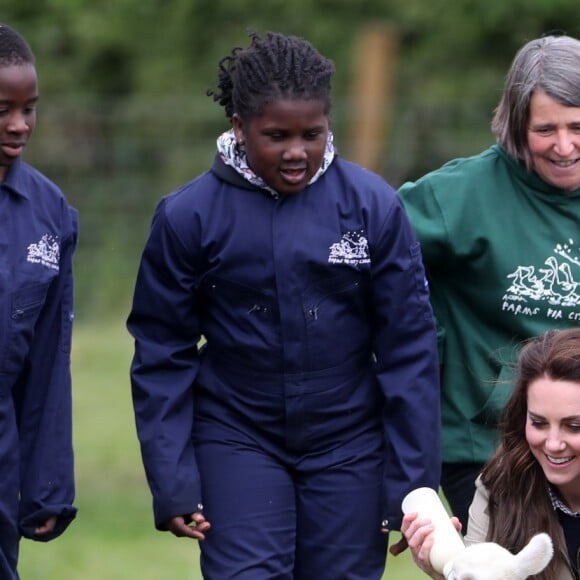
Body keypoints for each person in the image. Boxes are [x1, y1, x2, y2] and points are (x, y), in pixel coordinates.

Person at [127, 30, 441, 579]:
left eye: (312, 134)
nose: (297, 153)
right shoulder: (188, 217)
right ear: (239, 128)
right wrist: (173, 481)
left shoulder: (372, 208)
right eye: (276, 136)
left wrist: (411, 485)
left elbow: (408, 348)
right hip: (236, 433)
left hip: (349, 440)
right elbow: (162, 352)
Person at [398, 33, 580, 527]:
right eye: (546, 130)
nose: (565, 147)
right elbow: (359, 253)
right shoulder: (455, 198)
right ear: (515, 126)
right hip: (488, 448)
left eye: (577, 127)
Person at [401, 328, 580, 580]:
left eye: (574, 426)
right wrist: (444, 572)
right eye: (538, 422)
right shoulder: (500, 485)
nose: (553, 444)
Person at [0, 23, 78, 579]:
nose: (19, 124)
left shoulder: (49, 212)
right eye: (3, 108)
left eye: (30, 108)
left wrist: (47, 483)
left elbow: (48, 360)